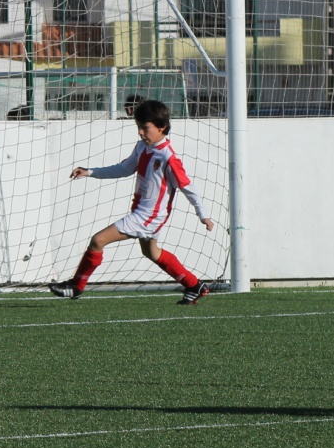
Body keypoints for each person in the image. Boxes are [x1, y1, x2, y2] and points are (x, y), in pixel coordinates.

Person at [50, 98, 215, 305]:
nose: (140, 132)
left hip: (149, 216)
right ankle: (194, 285)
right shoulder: (142, 147)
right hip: (142, 212)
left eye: (145, 128)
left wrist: (203, 215)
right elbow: (124, 169)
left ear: (161, 127)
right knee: (151, 252)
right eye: (138, 127)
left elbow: (187, 187)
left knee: (98, 240)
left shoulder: (168, 157)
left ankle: (76, 286)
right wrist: (90, 172)